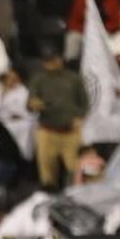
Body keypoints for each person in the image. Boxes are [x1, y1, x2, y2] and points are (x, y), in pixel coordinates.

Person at [29, 49, 88, 189]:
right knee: (47, 171)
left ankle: (76, 194)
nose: (51, 63)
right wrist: (34, 104)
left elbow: (85, 103)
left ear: (61, 60)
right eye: (48, 61)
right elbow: (31, 102)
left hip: (71, 131)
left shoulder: (74, 78)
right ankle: (48, 194)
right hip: (47, 131)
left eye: (54, 60)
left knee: (75, 169)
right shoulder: (38, 79)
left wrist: (79, 117)